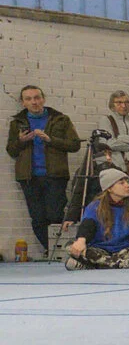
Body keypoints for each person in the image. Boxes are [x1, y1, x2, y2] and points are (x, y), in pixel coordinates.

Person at [10, 85, 82, 252]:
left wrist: (51, 140)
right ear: (23, 103)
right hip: (28, 177)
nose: (34, 102)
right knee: (37, 218)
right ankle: (51, 252)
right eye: (29, 99)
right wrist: (22, 141)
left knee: (55, 216)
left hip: (55, 176)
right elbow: (11, 150)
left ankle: (61, 252)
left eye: (37, 97)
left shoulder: (61, 119)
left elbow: (75, 145)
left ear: (43, 99)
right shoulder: (17, 123)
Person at [64, 169, 129, 270]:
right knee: (69, 246)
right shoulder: (95, 206)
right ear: (109, 188)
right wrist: (81, 241)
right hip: (100, 250)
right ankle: (119, 264)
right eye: (121, 183)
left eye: (127, 182)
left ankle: (96, 264)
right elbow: (88, 224)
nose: (127, 185)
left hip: (124, 249)